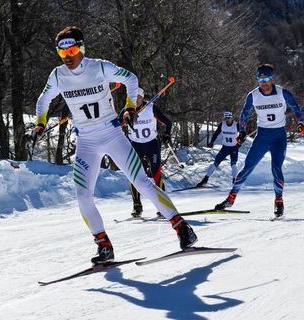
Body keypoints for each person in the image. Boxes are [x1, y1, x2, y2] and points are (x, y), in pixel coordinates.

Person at [34, 26, 196, 265]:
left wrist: (130, 106)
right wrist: (40, 123)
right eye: (62, 53)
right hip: (86, 142)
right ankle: (104, 246)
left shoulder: (99, 66)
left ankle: (182, 228)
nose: (68, 57)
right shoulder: (58, 76)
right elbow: (43, 100)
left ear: (82, 47)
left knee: (141, 182)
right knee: (82, 195)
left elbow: (131, 78)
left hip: (112, 135)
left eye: (73, 49)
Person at [214, 64, 304, 219]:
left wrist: (301, 123)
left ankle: (278, 201)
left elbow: (296, 108)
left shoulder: (282, 93)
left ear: (272, 79)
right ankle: (231, 198)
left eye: (267, 78)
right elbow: (244, 113)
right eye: (260, 79)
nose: (263, 82)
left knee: (276, 168)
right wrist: (242, 132)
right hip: (262, 137)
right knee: (248, 167)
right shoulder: (253, 95)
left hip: (279, 137)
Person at [120, 88, 173, 218]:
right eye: (133, 97)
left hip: (151, 144)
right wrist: (124, 120)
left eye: (138, 97)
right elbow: (115, 125)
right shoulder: (126, 110)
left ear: (142, 98)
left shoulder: (151, 107)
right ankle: (137, 207)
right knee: (134, 176)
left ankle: (163, 206)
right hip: (136, 145)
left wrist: (167, 134)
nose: (135, 100)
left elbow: (168, 122)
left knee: (156, 174)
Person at [197, 111, 240, 187]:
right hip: (225, 147)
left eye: (229, 118)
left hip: (234, 147)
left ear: (231, 117)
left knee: (233, 164)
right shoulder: (222, 125)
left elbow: (243, 133)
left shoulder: (236, 125)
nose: (227, 120)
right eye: (226, 118)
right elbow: (216, 133)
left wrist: (240, 141)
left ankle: (235, 180)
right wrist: (211, 142)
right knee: (215, 163)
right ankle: (205, 179)